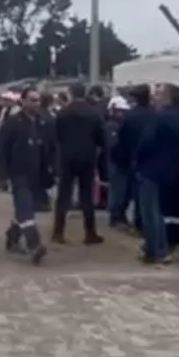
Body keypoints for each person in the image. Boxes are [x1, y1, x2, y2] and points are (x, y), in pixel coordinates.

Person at [133, 84, 179, 263]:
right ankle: (168, 246)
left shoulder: (158, 118)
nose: (156, 97)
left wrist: (138, 162)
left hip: (151, 170)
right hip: (176, 171)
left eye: (159, 94)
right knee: (167, 211)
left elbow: (146, 143)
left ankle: (157, 251)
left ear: (168, 97)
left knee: (151, 212)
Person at [0, 87, 49, 265]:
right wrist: (1, 175)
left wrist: (51, 170)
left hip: (37, 174)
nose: (36, 103)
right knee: (25, 209)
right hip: (18, 173)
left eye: (38, 100)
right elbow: (3, 150)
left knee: (27, 208)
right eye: (32, 100)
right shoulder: (13, 122)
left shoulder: (43, 122)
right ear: (23, 101)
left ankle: (12, 237)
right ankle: (35, 245)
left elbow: (48, 148)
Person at [50, 83, 106, 245]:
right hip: (87, 158)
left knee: (64, 195)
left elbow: (57, 136)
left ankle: (58, 232)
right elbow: (101, 138)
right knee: (86, 196)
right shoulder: (94, 113)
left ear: (71, 93)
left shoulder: (62, 113)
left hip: (67, 157)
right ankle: (90, 233)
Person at [110, 85, 152, 231]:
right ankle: (140, 221)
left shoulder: (130, 116)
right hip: (145, 159)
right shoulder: (153, 115)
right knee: (141, 193)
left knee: (122, 191)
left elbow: (122, 138)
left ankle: (117, 216)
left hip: (127, 158)